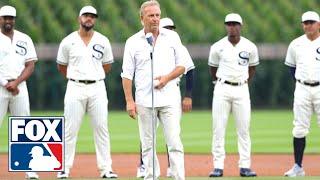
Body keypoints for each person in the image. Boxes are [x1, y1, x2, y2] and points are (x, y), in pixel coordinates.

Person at [121, 1, 187, 179]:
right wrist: (129, 101)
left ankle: (179, 177)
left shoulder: (172, 37)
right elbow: (127, 75)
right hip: (144, 100)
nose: (155, 19)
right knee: (148, 145)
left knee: (174, 143)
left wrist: (166, 78)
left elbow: (183, 65)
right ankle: (151, 177)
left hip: (170, 99)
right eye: (151, 15)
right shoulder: (132, 42)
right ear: (142, 18)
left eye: (157, 15)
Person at [56, 5, 117, 179]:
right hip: (75, 87)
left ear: (95, 19)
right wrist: (76, 77)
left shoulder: (103, 40)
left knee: (101, 128)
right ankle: (64, 168)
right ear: (79, 18)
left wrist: (93, 76)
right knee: (69, 129)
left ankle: (106, 169)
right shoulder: (68, 41)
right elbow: (61, 65)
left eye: (92, 16)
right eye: (86, 15)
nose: (89, 18)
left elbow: (107, 66)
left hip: (97, 86)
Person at [136, 17, 195, 178]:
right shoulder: (144, 43)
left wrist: (188, 96)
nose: (170, 30)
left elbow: (189, 69)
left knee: (173, 137)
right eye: (167, 27)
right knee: (147, 138)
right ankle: (144, 167)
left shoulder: (178, 45)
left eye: (172, 27)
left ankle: (173, 170)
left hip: (171, 93)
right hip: (148, 95)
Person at [208, 13, 258, 177]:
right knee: (218, 129)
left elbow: (252, 68)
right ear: (225, 26)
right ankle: (218, 166)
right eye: (229, 24)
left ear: (241, 26)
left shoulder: (250, 46)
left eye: (235, 24)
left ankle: (245, 166)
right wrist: (220, 82)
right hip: (222, 88)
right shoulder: (217, 46)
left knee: (244, 130)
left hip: (242, 89)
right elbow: (213, 69)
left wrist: (243, 83)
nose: (232, 27)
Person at [0, 5, 38, 179]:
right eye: (5, 18)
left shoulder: (25, 39)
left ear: (14, 20)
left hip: (20, 88)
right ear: (0, 19)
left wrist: (16, 83)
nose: (8, 21)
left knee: (24, 127)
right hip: (0, 87)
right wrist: (5, 83)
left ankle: (28, 168)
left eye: (11, 18)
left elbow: (30, 64)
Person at [284, 11, 320, 177]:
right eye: (305, 22)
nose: (308, 25)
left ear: (318, 24)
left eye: (311, 22)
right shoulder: (295, 44)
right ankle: (298, 167)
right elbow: (291, 67)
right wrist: (301, 82)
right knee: (299, 128)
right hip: (302, 89)